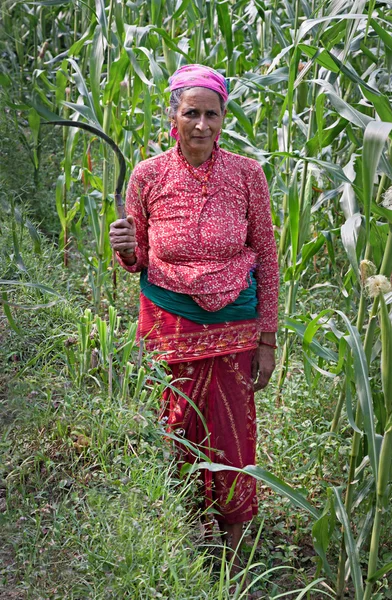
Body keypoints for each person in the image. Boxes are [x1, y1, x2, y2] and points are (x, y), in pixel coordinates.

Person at [109, 64, 279, 564]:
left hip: (234, 327)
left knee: (232, 433)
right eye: (191, 113)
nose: (201, 124)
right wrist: (124, 249)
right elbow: (138, 258)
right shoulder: (148, 175)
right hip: (169, 324)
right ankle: (186, 536)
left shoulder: (247, 174)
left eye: (212, 114)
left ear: (224, 118)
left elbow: (266, 255)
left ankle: (237, 549)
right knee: (174, 426)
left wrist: (267, 340)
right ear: (173, 117)